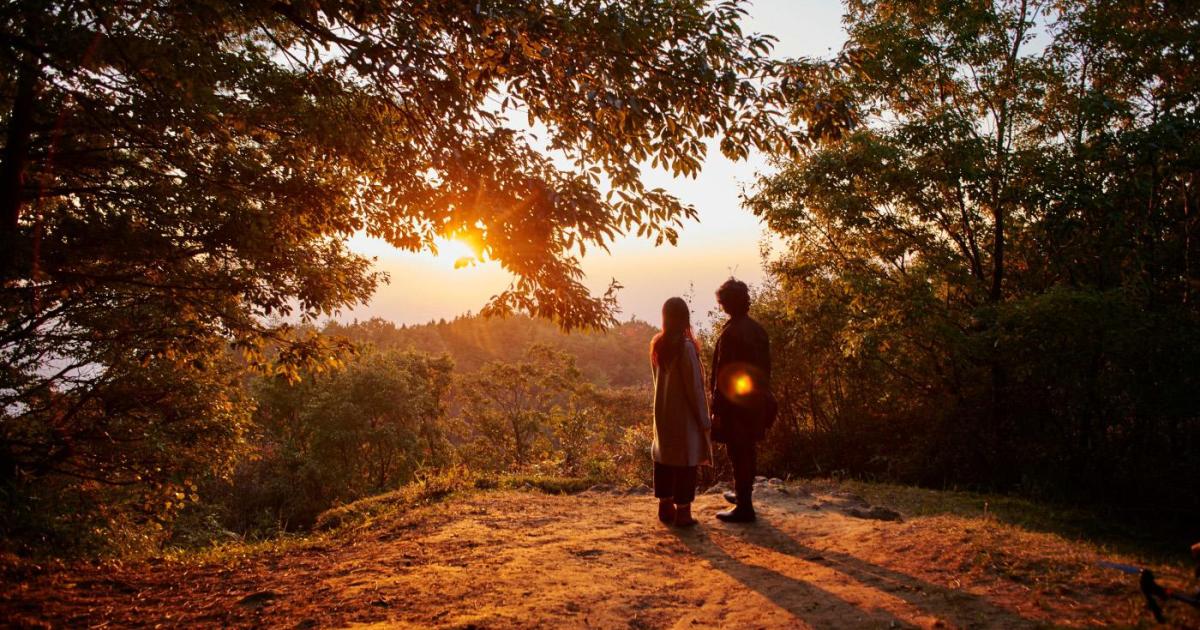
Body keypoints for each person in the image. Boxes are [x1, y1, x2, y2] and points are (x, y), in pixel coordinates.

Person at [709, 278, 773, 523]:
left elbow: (724, 375)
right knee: (747, 451)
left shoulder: (732, 333)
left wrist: (718, 408)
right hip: (756, 402)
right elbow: (766, 370)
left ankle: (745, 507)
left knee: (739, 452)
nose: (721, 306)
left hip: (737, 407)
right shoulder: (758, 330)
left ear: (727, 303)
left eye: (722, 302)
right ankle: (742, 495)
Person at [650, 296, 712, 527]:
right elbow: (694, 388)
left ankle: (665, 507)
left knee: (664, 457)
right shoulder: (685, 348)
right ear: (685, 318)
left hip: (663, 412)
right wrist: (704, 420)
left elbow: (657, 381)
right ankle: (683, 513)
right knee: (686, 462)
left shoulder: (658, 345)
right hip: (683, 415)